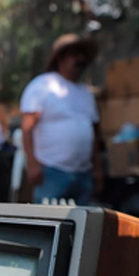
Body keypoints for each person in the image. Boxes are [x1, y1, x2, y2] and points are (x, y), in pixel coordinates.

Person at [21, 34, 103, 205]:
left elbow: (93, 133)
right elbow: (27, 128)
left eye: (83, 55)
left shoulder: (85, 93)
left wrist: (97, 168)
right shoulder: (42, 86)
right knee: (47, 225)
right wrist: (33, 165)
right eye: (75, 54)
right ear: (60, 58)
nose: (80, 59)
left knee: (82, 226)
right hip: (51, 172)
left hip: (83, 174)